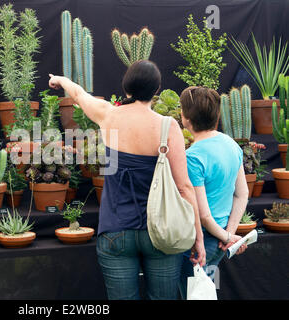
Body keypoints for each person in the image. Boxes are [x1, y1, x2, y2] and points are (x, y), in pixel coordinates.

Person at [48, 60, 206, 300]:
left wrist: (60, 80)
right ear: (157, 89)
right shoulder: (167, 127)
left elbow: (79, 95)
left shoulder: (108, 115)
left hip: (116, 230)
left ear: (126, 88)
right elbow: (184, 188)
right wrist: (198, 237)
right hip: (161, 232)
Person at [179, 86, 249, 299]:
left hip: (200, 243)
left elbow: (202, 214)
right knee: (206, 291)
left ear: (187, 119)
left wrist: (228, 236)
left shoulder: (192, 157)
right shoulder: (232, 145)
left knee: (192, 294)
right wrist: (229, 234)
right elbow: (242, 193)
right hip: (220, 242)